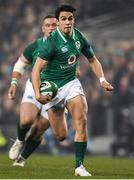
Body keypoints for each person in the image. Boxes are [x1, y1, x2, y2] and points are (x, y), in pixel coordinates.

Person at [32, 5, 113, 177]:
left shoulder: (79, 37)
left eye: (70, 19)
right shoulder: (51, 42)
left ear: (73, 20)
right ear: (58, 22)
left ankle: (79, 166)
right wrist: (38, 94)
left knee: (81, 120)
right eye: (64, 19)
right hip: (52, 88)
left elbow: (93, 59)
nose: (67, 22)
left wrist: (102, 79)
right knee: (61, 136)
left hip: (71, 83)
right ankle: (62, 110)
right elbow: (36, 69)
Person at [8, 15, 67, 167]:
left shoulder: (68, 46)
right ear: (43, 29)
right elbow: (20, 65)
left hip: (57, 93)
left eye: (54, 25)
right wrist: (14, 83)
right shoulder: (35, 45)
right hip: (35, 86)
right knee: (26, 120)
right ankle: (20, 140)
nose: (51, 28)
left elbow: (74, 68)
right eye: (48, 25)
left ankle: (22, 159)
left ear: (59, 27)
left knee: (39, 129)